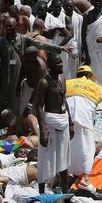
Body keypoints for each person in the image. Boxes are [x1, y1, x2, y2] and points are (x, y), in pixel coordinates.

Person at [35, 51, 74, 194]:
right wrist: (43, 130)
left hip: (62, 121)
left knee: (63, 157)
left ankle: (65, 190)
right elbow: (38, 106)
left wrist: (70, 123)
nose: (61, 65)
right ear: (50, 66)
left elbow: (64, 101)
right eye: (57, 63)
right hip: (50, 122)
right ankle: (41, 192)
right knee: (46, 158)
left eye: (61, 62)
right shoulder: (44, 83)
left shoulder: (62, 79)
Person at [65, 65, 102, 191]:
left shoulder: (66, 84)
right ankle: (85, 178)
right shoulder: (95, 87)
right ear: (89, 76)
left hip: (67, 121)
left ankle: (66, 176)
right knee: (87, 149)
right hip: (85, 121)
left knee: (68, 149)